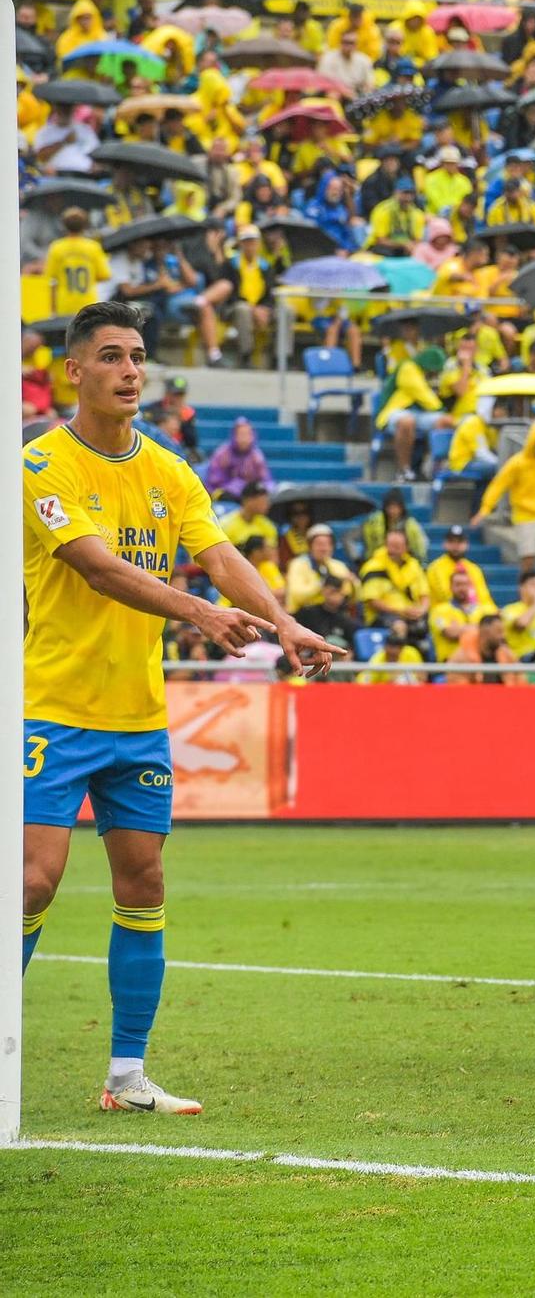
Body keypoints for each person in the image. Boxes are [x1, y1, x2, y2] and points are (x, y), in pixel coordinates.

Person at [22, 301, 338, 1117]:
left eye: (137, 357)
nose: (131, 371)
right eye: (112, 357)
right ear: (75, 371)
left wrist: (284, 619)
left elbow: (219, 553)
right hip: (45, 711)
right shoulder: (38, 467)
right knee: (29, 882)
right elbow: (97, 568)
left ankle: (127, 1076)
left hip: (136, 718)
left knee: (145, 879)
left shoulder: (166, 467)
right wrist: (197, 613)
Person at [471, 421, 535, 586]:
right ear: (534, 441)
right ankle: (524, 589)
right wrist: (484, 509)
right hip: (525, 515)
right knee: (528, 558)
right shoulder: (517, 463)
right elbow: (498, 485)